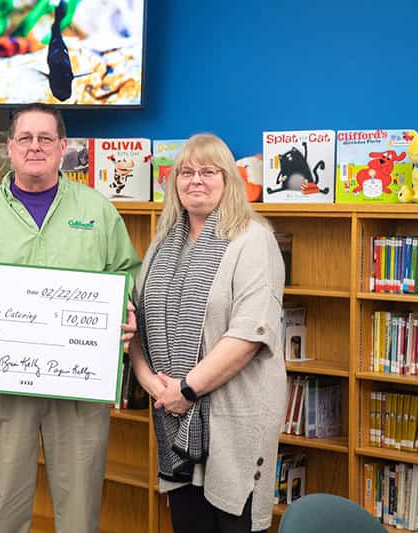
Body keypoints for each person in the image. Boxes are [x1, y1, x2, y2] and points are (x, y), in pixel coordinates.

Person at [0, 103, 142, 533]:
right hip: (1, 387)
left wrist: (126, 311)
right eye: (26, 139)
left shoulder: (98, 209)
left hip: (79, 387)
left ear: (62, 147)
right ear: (10, 147)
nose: (36, 147)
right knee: (0, 508)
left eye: (46, 138)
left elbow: (127, 273)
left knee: (80, 509)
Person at [129, 134, 287, 533]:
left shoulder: (254, 240)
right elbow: (138, 323)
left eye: (208, 171)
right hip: (171, 414)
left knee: (233, 523)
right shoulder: (163, 243)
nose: (195, 180)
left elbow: (248, 336)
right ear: (174, 181)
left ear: (229, 179)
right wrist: (153, 385)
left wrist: (185, 390)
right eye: (186, 172)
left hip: (233, 417)